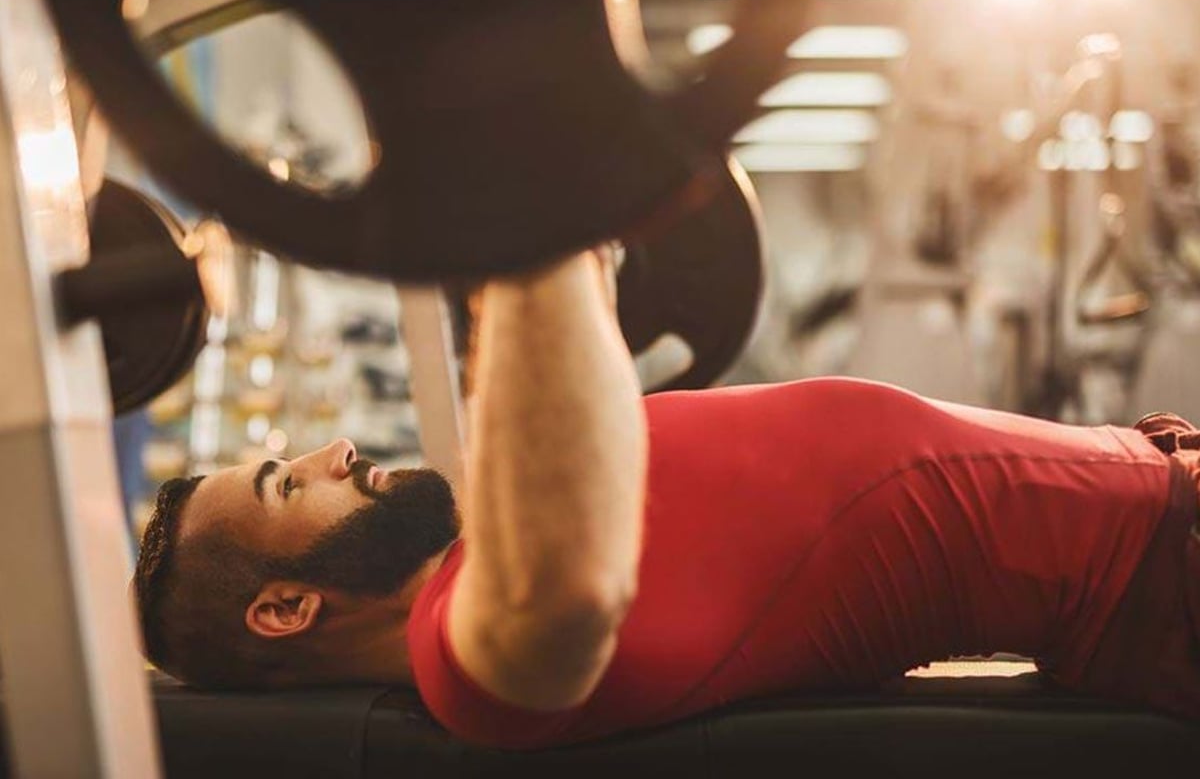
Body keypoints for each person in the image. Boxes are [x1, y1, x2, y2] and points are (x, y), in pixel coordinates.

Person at [134, 250, 1200, 750]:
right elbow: (566, 595)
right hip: (1159, 578)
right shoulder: (472, 657)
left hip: (1159, 491)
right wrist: (530, 233)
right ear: (281, 606)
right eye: (288, 484)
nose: (333, 450)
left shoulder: (480, 553)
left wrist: (579, 244)